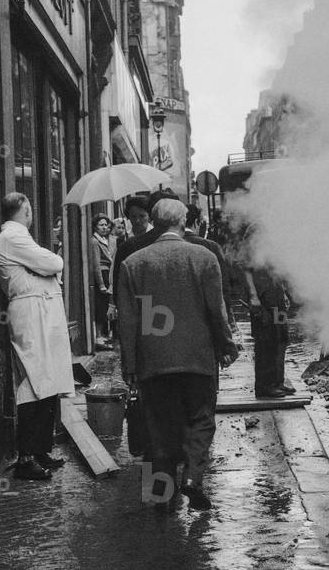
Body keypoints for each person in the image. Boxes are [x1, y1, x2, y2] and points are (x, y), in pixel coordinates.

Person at [116, 199, 238, 512]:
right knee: (200, 420)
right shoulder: (204, 257)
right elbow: (216, 308)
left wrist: (129, 365)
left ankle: (161, 496)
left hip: (153, 361)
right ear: (183, 221)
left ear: (154, 222)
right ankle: (193, 478)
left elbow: (127, 321)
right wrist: (226, 345)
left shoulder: (134, 262)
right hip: (197, 357)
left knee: (159, 427)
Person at [0, 193, 75, 480]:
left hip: (40, 311)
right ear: (26, 209)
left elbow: (43, 265)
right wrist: (52, 260)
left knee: (48, 380)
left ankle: (40, 450)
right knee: (33, 381)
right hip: (31, 314)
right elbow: (53, 263)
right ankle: (26, 456)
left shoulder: (19, 237)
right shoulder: (13, 237)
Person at [234, 225, 293, 399]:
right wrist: (253, 295)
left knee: (281, 336)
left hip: (276, 296)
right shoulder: (255, 230)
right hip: (262, 297)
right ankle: (264, 385)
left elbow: (277, 268)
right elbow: (245, 267)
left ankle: (278, 381)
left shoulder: (274, 231)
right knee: (265, 339)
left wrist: (283, 292)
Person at [89, 213, 116, 346]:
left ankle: (107, 333)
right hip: (103, 274)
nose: (104, 227)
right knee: (101, 306)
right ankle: (99, 335)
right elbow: (96, 263)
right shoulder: (95, 241)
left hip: (110, 274)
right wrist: (101, 284)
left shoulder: (109, 240)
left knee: (108, 305)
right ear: (95, 227)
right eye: (101, 225)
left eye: (106, 225)